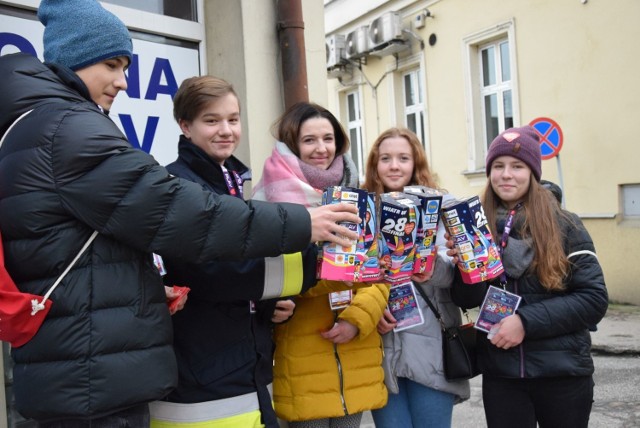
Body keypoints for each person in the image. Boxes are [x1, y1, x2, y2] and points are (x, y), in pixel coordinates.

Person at [0, 1, 361, 425]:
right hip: (94, 375)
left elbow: (88, 247)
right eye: (112, 66)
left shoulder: (41, 125)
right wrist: (303, 223)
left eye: (234, 119)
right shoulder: (68, 128)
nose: (122, 82)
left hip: (85, 364)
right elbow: (184, 214)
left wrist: (151, 288)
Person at [148, 76, 317, 428]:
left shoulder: (225, 182)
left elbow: (237, 268)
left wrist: (270, 302)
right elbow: (210, 275)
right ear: (185, 126)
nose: (226, 130)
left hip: (237, 370)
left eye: (233, 119)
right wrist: (316, 259)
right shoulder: (179, 188)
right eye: (211, 121)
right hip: (205, 379)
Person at [447, 125, 608, 428]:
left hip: (563, 375)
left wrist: (525, 322)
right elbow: (466, 300)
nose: (506, 174)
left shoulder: (565, 224)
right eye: (498, 166)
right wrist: (464, 268)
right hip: (502, 376)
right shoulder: (474, 225)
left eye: (517, 166)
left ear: (532, 173)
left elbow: (593, 299)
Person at [253, 102, 389, 428]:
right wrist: (342, 275)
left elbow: (381, 272)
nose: (321, 149)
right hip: (303, 350)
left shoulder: (358, 196)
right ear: (292, 143)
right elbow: (268, 277)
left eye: (328, 139)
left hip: (356, 350)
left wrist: (358, 319)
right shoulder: (270, 201)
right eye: (309, 140)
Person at [361, 127, 470, 428]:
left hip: (430, 345)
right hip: (381, 348)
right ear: (375, 164)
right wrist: (370, 306)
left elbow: (454, 277)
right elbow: (352, 276)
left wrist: (431, 267)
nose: (394, 165)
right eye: (386, 158)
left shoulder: (441, 210)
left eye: (403, 158)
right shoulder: (363, 212)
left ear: (416, 163)